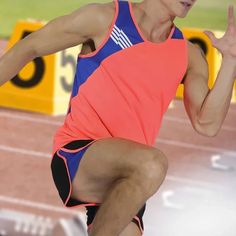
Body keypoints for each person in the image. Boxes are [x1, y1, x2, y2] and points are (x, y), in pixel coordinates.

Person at [0, 0, 236, 235]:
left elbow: (208, 124)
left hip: (130, 177)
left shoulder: (189, 54)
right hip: (78, 155)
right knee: (153, 164)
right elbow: (30, 47)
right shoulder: (106, 19)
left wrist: (231, 60)